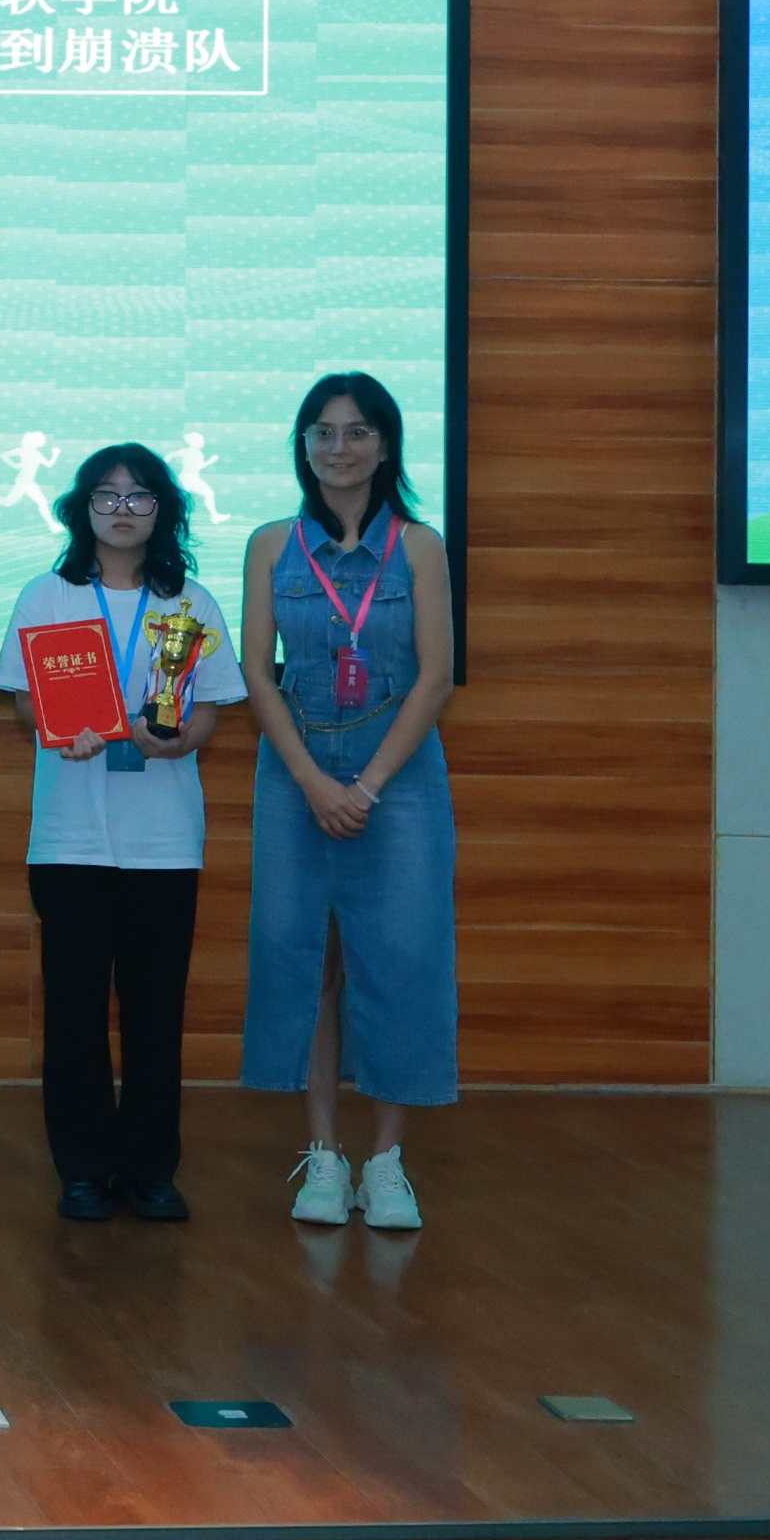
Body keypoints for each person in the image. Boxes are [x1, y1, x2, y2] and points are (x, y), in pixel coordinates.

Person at [0, 441, 247, 1224]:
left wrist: (179, 739)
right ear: (82, 509)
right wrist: (59, 726)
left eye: (139, 496)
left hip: (164, 841)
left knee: (155, 1010)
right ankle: (82, 1168)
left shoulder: (192, 602)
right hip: (69, 838)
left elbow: (208, 709)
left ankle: (148, 1169)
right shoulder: (48, 596)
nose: (123, 510)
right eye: (107, 495)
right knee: (73, 1010)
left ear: (163, 510)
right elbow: (25, 700)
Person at [238, 371, 459, 1232]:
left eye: (358, 431)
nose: (340, 448)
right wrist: (310, 780)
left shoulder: (420, 547)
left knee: (401, 958)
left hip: (397, 777)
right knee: (303, 959)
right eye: (323, 432)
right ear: (303, 446)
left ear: (386, 444)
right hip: (294, 772)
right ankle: (325, 1156)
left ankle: (388, 1163)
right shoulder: (271, 544)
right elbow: (258, 671)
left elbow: (435, 676)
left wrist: (365, 787)